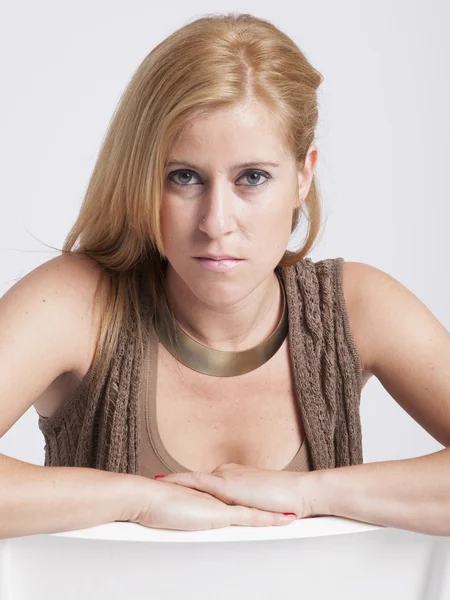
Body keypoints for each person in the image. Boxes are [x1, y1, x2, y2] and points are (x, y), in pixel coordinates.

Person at [2, 13, 449, 540]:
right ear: (145, 176)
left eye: (252, 177)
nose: (216, 223)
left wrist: (312, 494)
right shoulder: (78, 304)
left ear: (303, 175)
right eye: (184, 177)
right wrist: (139, 500)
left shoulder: (355, 309)